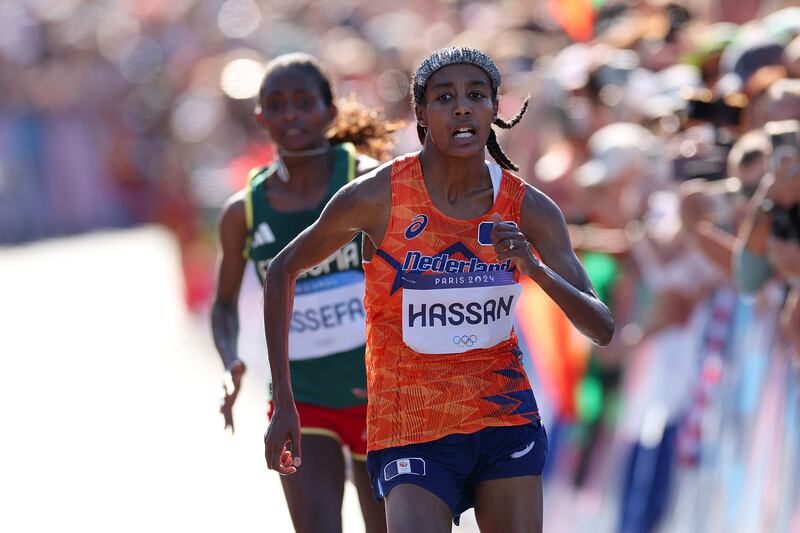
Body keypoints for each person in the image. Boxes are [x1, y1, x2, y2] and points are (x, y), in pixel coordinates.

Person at [263, 47, 614, 533]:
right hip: (410, 425)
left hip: (503, 420)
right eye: (444, 97)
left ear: (495, 109)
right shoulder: (377, 195)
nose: (462, 107)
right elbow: (281, 270)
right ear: (422, 115)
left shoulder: (528, 207)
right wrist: (284, 401)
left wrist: (533, 268)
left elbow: (602, 327)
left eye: (476, 95)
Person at [211, 53, 396, 533]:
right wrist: (230, 359)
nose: (290, 114)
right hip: (300, 402)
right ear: (261, 119)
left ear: (329, 112)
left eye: (302, 102)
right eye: (277, 105)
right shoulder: (244, 212)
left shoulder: (370, 181)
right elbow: (224, 305)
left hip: (380, 395)